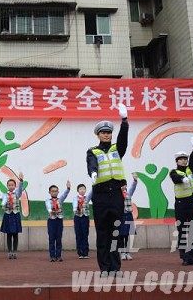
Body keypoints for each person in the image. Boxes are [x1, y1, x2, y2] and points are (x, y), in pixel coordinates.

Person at [86, 103, 129, 276]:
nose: (107, 135)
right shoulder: (92, 151)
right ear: (98, 135)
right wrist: (93, 173)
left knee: (115, 232)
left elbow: (124, 138)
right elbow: (91, 164)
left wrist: (124, 121)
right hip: (101, 194)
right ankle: (104, 268)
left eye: (109, 132)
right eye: (103, 132)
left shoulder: (117, 149)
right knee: (103, 232)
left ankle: (115, 267)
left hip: (116, 194)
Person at [169, 137, 193, 266]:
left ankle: (192, 256)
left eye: (185, 159)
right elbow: (176, 178)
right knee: (182, 230)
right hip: (181, 205)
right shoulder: (173, 171)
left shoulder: (190, 170)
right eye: (181, 159)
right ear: (177, 161)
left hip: (192, 203)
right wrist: (183, 180)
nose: (184, 161)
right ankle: (184, 257)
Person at [0, 172, 24, 259]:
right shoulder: (5, 194)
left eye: (12, 185)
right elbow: (4, 200)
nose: (11, 186)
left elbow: (20, 190)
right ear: (7, 186)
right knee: (9, 235)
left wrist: (21, 181)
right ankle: (10, 251)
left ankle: (15, 251)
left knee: (15, 234)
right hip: (8, 215)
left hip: (15, 215)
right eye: (9, 185)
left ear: (15, 186)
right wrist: (3, 205)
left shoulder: (17, 194)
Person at [45, 180, 71, 262]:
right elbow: (48, 206)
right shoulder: (48, 201)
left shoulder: (60, 200)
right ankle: (52, 256)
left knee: (59, 238)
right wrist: (50, 210)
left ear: (58, 192)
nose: (54, 193)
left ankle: (59, 256)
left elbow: (65, 195)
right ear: (49, 192)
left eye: (56, 191)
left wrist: (68, 188)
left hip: (59, 220)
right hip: (51, 220)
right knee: (51, 238)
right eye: (53, 191)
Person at [120, 172, 138, 261]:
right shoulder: (117, 195)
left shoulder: (128, 194)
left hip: (128, 215)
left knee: (127, 235)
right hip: (121, 216)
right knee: (121, 235)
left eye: (124, 185)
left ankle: (127, 252)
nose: (124, 187)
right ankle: (122, 253)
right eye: (122, 186)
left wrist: (135, 180)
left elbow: (133, 188)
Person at [72, 183, 93, 259]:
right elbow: (74, 204)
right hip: (77, 217)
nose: (82, 190)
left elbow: (92, 193)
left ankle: (86, 252)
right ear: (78, 190)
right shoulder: (75, 198)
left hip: (85, 217)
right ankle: (80, 253)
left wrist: (94, 185)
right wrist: (74, 209)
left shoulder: (87, 198)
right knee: (78, 234)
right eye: (80, 189)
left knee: (85, 234)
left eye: (83, 189)